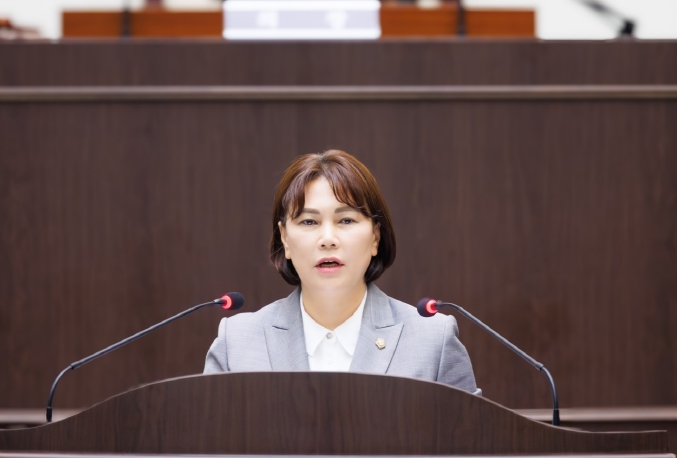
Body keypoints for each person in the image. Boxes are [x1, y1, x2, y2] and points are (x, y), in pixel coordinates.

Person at [204, 150, 480, 394]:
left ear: (375, 237)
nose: (328, 239)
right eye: (309, 221)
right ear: (285, 239)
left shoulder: (432, 341)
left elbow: (470, 435)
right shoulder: (237, 342)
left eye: (346, 220)